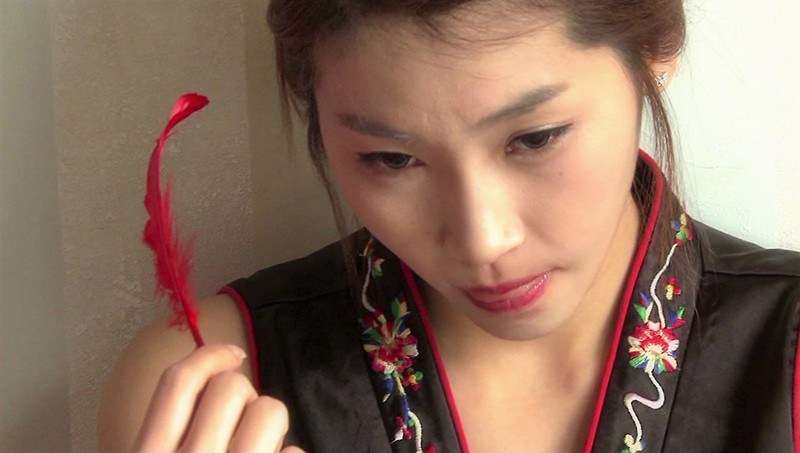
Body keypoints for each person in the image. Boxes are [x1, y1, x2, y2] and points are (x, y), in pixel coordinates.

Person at [97, 1, 800, 452]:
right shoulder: (206, 391)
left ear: (652, 57)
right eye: (391, 158)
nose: (482, 239)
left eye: (535, 138)